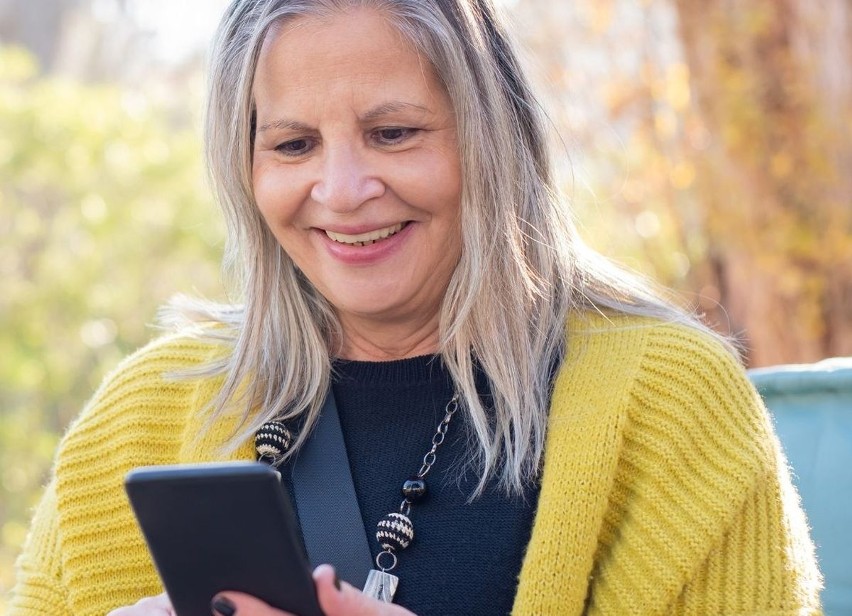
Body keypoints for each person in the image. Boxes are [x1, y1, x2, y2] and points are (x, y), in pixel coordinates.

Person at [10, 0, 822, 614]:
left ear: (490, 140)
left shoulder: (672, 404)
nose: (344, 191)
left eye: (394, 133)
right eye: (293, 145)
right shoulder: (143, 412)